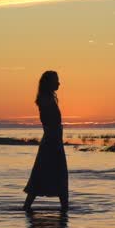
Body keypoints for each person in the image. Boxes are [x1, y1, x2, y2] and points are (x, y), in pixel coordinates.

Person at [23, 70, 69, 210]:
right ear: (49, 82)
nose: (59, 83)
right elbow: (50, 124)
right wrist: (55, 143)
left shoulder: (47, 98)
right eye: (56, 80)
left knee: (49, 176)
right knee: (50, 176)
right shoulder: (46, 100)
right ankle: (64, 210)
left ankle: (64, 209)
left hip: (53, 142)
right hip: (51, 142)